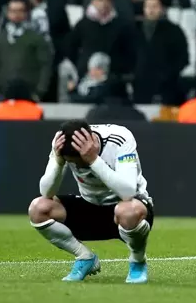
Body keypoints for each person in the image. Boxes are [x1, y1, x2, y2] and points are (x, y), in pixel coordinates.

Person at [28, 120, 153, 283]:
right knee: (39, 208)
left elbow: (127, 192)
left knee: (127, 211)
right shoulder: (61, 142)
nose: (79, 166)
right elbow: (46, 192)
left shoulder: (120, 138)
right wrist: (58, 161)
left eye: (80, 160)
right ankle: (85, 257)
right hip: (90, 207)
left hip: (127, 209)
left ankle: (137, 261)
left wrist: (93, 160)